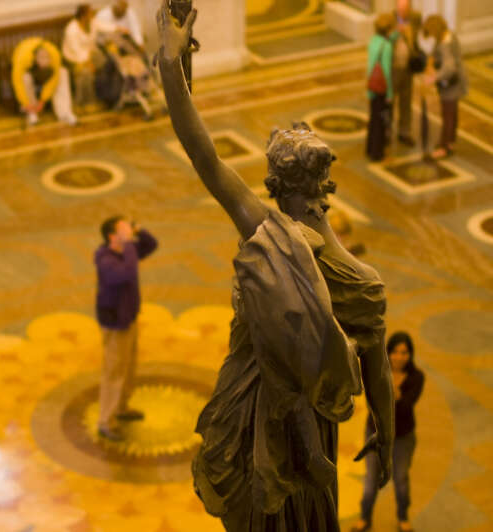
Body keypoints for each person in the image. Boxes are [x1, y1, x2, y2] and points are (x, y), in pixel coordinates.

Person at [156, 5, 394, 531]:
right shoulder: (363, 281)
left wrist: (170, 66)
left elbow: (204, 156)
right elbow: (377, 370)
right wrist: (386, 431)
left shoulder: (264, 228)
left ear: (278, 186)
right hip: (311, 426)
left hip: (261, 416)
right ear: (322, 188)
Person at [351, 332, 424, 532]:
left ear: (410, 355)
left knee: (400, 480)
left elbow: (406, 407)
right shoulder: (378, 371)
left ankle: (403, 517)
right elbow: (372, 402)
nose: (399, 357)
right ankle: (365, 518)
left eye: (404, 353)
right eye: (394, 352)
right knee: (370, 482)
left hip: (403, 437)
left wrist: (392, 390)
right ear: (388, 352)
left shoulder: (417, 377)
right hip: (375, 434)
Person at [95, 216, 157, 442]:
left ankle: (121, 408)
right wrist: (130, 242)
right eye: (123, 228)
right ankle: (105, 422)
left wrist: (138, 228)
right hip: (115, 324)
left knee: (129, 367)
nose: (128, 231)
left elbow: (151, 244)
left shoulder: (125, 252)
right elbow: (127, 273)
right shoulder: (105, 259)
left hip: (128, 319)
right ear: (112, 236)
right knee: (114, 373)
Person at [422, 14, 468, 160]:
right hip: (458, 81)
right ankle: (451, 142)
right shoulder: (449, 35)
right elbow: (436, 53)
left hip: (450, 85)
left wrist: (433, 77)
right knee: (452, 113)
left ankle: (444, 147)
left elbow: (449, 68)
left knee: (447, 115)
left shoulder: (444, 44)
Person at [12, 38, 77, 127]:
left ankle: (64, 112)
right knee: (25, 77)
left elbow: (54, 78)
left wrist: (43, 100)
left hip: (48, 73)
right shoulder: (23, 57)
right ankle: (31, 112)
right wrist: (25, 103)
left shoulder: (54, 54)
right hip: (28, 71)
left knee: (63, 72)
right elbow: (18, 81)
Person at [390, 0, 422, 147]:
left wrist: (409, 35)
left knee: (406, 101)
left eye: (405, 9)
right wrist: (396, 33)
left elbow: (416, 41)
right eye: (400, 9)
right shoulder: (389, 19)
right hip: (393, 67)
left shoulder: (415, 18)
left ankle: (404, 132)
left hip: (407, 68)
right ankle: (386, 132)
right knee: (390, 101)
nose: (402, 12)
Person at [366, 14, 395, 162]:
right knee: (381, 120)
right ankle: (378, 152)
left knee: (373, 118)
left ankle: (370, 148)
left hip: (372, 85)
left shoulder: (373, 41)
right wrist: (390, 93)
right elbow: (387, 71)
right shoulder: (387, 46)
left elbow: (370, 66)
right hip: (382, 88)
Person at [62, 4, 99, 110]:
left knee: (108, 61)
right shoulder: (71, 29)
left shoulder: (91, 23)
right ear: (83, 16)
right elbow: (76, 51)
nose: (92, 16)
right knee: (84, 72)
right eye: (90, 14)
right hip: (72, 59)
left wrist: (118, 28)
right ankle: (85, 102)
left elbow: (103, 26)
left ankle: (107, 96)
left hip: (89, 55)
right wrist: (87, 63)